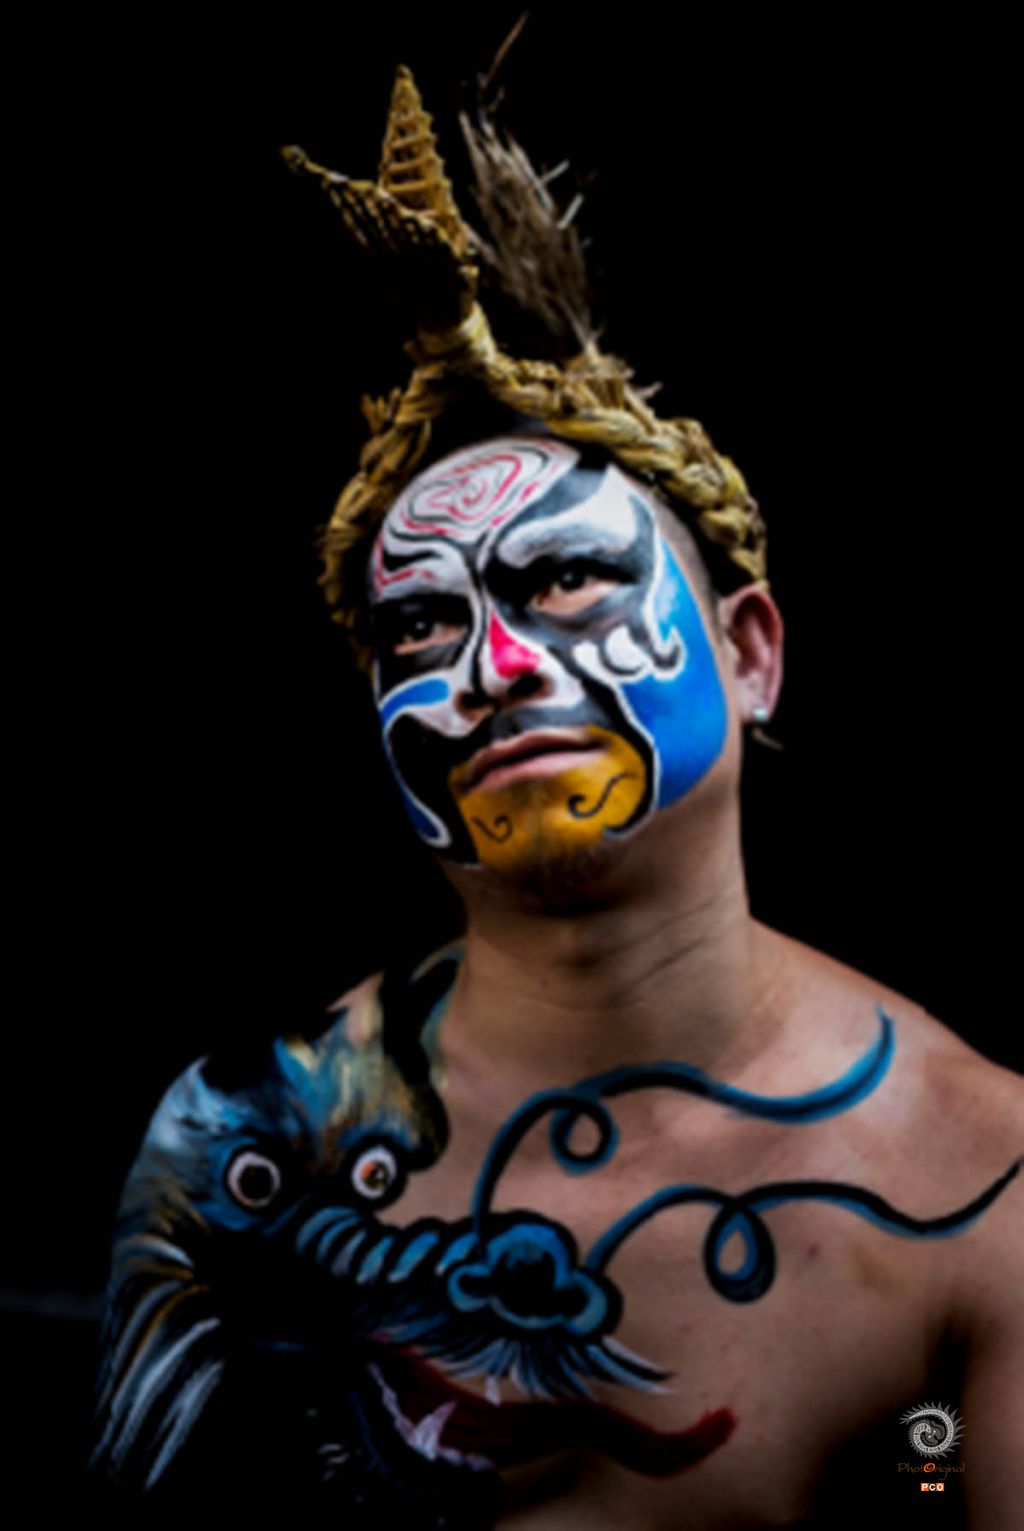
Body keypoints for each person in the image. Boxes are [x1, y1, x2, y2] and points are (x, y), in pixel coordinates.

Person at [90, 63, 1022, 1529]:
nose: (495, 666)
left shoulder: (980, 1187)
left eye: (570, 578)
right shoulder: (245, 1144)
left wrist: (918, 1469)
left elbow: (943, 1477)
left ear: (752, 655)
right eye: (420, 627)